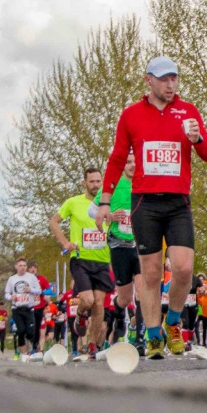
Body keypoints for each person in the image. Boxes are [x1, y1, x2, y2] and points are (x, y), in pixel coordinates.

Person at [94, 56, 207, 359]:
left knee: (184, 267)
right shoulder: (131, 115)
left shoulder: (188, 112)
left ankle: (172, 322)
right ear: (149, 80)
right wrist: (106, 201)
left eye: (174, 78)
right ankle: (152, 335)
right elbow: (117, 159)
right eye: (164, 79)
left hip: (178, 201)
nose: (171, 85)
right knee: (149, 273)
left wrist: (197, 138)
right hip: (145, 202)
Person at [50, 168, 113, 359]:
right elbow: (53, 222)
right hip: (80, 259)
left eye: (98, 181)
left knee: (99, 305)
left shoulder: (108, 204)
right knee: (88, 300)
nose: (95, 185)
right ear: (84, 183)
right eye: (92, 181)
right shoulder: (73, 202)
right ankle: (79, 315)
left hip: (103, 260)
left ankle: (92, 345)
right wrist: (65, 243)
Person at [91, 151, 145, 353]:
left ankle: (139, 338)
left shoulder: (143, 182)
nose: (132, 165)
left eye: (135, 161)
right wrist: (110, 216)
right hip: (119, 245)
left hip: (140, 246)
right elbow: (92, 210)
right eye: (128, 161)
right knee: (124, 298)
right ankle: (117, 314)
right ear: (122, 166)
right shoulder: (113, 186)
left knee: (141, 290)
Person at [4, 258, 42, 360]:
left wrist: (31, 290)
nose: (22, 268)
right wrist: (10, 297)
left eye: (24, 265)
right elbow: (7, 294)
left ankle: (30, 347)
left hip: (29, 308)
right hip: (17, 308)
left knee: (30, 332)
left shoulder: (32, 277)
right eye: (20, 265)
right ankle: (23, 353)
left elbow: (39, 291)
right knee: (21, 330)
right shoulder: (12, 279)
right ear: (16, 266)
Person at [27, 263, 51, 354]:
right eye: (31, 268)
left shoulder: (41, 279)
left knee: (37, 327)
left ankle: (34, 347)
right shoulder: (26, 279)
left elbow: (49, 289)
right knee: (31, 326)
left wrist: (42, 292)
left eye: (34, 268)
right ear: (28, 270)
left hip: (40, 306)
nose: (33, 269)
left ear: (36, 269)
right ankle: (31, 343)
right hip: (29, 306)